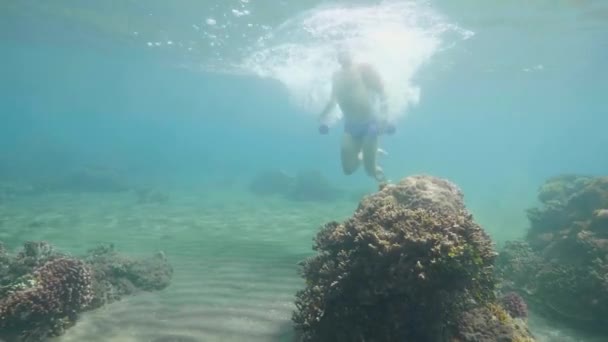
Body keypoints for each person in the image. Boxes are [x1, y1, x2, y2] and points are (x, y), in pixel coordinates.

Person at [318, 49, 395, 183]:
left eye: (346, 51)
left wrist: (384, 117)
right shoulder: (336, 76)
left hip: (370, 124)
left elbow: (382, 92)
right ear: (337, 57)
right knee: (348, 169)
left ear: (352, 54)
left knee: (370, 172)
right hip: (350, 126)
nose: (343, 55)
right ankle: (369, 154)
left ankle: (373, 163)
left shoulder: (363, 68)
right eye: (340, 52)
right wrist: (322, 115)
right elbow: (333, 99)